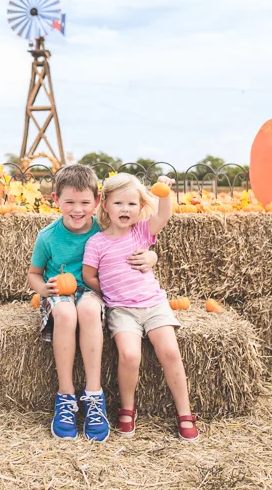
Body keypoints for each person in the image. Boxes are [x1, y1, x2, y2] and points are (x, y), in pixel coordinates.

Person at [28, 164, 158, 442]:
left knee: (87, 309)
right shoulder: (47, 236)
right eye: (69, 202)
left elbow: (134, 246)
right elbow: (33, 274)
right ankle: (65, 396)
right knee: (65, 314)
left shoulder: (105, 229)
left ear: (97, 201)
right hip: (59, 291)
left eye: (85, 202)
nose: (77, 209)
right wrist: (43, 289)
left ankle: (94, 395)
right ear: (55, 200)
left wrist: (151, 257)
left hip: (91, 291)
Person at [82, 173, 198, 441]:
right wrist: (109, 290)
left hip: (153, 304)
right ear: (105, 205)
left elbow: (163, 217)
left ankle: (184, 412)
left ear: (140, 207)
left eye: (132, 204)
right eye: (118, 203)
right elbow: (88, 276)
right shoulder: (96, 243)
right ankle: (127, 408)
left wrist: (164, 193)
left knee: (170, 351)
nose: (125, 209)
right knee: (130, 355)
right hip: (122, 310)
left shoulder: (141, 232)